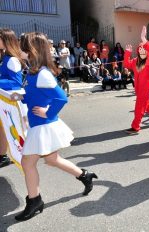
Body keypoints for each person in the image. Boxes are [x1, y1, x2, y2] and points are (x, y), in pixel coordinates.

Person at [12, 32, 97, 221]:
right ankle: (85, 175)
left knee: (28, 163)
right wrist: (22, 97)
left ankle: (34, 200)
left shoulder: (42, 73)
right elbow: (35, 93)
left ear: (31, 49)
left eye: (22, 45)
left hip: (43, 126)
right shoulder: (32, 71)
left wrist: (47, 112)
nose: (19, 48)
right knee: (52, 159)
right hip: (38, 125)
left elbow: (61, 97)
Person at [0, 28, 27, 168]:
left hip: (12, 101)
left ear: (5, 40)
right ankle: (2, 155)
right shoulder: (5, 56)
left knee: (16, 130)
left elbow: (15, 83)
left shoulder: (12, 60)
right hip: (5, 99)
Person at [123, 44, 149, 134]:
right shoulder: (136, 60)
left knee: (139, 107)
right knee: (147, 105)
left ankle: (135, 127)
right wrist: (127, 53)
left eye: (144, 49)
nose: (141, 51)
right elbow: (126, 64)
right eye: (140, 49)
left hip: (145, 90)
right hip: (138, 88)